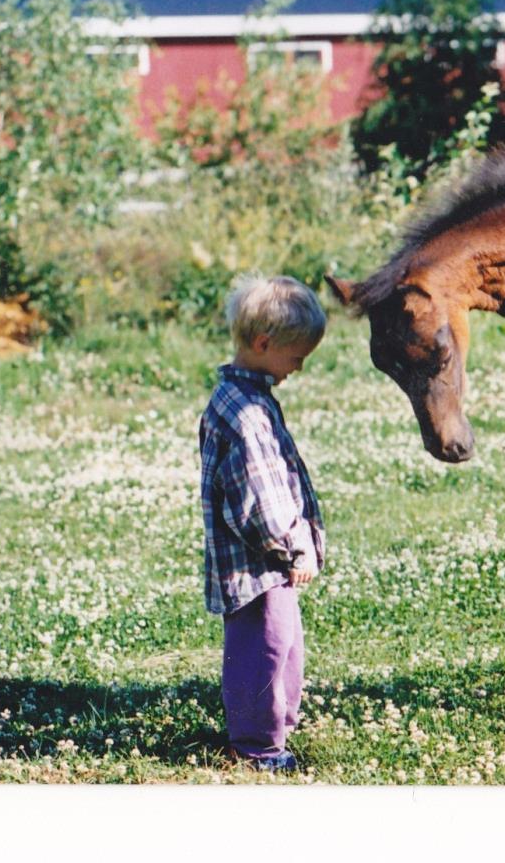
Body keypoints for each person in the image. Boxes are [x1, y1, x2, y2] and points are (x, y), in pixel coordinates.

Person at [198, 274, 327, 773]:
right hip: (257, 565)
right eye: (296, 357)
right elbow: (259, 499)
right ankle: (256, 746)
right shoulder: (246, 415)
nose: (298, 367)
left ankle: (276, 730)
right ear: (263, 343)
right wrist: (293, 548)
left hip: (268, 563)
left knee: (284, 642)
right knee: (263, 650)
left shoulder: (248, 398)